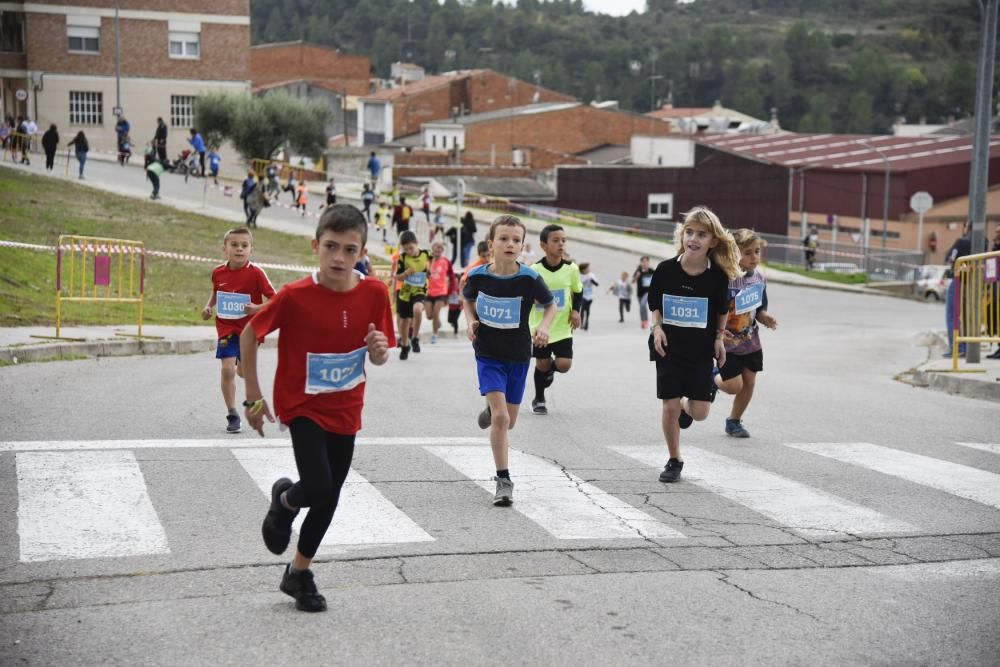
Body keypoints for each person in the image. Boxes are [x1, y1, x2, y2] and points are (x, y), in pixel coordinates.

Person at [240, 205, 394, 613]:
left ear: (362, 251)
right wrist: (253, 396)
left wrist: (379, 354)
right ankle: (286, 502)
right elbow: (249, 334)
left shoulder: (375, 293)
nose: (339, 258)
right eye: (330, 247)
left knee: (329, 496)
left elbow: (378, 353)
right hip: (302, 405)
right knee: (320, 485)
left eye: (349, 249)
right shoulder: (294, 296)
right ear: (316, 246)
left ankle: (299, 571)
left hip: (346, 406)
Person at [462, 215, 555, 506]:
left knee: (508, 420)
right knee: (503, 418)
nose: (510, 244)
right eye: (504, 238)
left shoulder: (528, 278)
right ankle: (503, 479)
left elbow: (550, 305)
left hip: (518, 356)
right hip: (487, 354)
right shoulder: (478, 276)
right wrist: (470, 321)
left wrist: (543, 327)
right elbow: (467, 298)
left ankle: (491, 411)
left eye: (516, 240)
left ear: (522, 246)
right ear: (491, 244)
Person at [648, 206, 741, 483]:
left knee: (699, 413)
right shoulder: (666, 270)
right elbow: (655, 304)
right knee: (669, 406)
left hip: (700, 350)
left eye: (702, 234)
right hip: (669, 347)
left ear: (713, 241)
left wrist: (718, 339)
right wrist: (657, 329)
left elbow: (721, 310)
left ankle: (688, 409)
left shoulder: (717, 277)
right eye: (689, 232)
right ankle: (674, 459)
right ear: (682, 235)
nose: (694, 239)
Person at [201, 227, 276, 434]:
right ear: (224, 248)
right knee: (227, 369)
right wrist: (208, 307)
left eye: (244, 245)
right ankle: (232, 414)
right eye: (234, 245)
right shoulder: (218, 272)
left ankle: (241, 367)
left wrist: (256, 308)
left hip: (250, 331)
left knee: (242, 371)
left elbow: (276, 299)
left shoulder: (256, 273)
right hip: (226, 328)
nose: (239, 249)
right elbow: (216, 292)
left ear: (251, 249)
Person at [713, 229, 778, 438]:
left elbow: (759, 308)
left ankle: (733, 421)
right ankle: (711, 379)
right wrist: (717, 334)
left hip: (750, 341)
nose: (754, 257)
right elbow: (713, 310)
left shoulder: (759, 278)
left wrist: (765, 316)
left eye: (757, 252)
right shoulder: (724, 278)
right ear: (734, 253)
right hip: (727, 342)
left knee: (749, 383)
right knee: (733, 385)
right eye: (748, 252)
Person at [528, 225, 583, 416]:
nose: (561, 244)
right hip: (540, 327)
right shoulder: (534, 271)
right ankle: (539, 398)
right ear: (543, 245)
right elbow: (525, 295)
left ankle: (550, 370)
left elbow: (578, 291)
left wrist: (575, 310)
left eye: (563, 240)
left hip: (562, 327)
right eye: (555, 240)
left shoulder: (571, 269)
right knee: (541, 364)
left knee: (564, 364)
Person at [395, 230, 431, 359]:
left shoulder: (426, 254)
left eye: (411, 248)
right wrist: (405, 274)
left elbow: (431, 266)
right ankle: (405, 345)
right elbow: (397, 277)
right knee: (404, 321)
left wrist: (429, 272)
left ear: (417, 244)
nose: (409, 251)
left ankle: (415, 337)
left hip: (420, 290)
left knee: (417, 309)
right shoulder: (403, 258)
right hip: (405, 292)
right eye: (406, 249)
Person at [944, 221, 972, 357]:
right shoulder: (983, 242)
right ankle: (966, 346)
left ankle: (956, 347)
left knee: (952, 315)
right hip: (974, 283)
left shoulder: (961, 242)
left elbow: (949, 259)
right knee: (968, 316)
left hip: (958, 280)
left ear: (967, 228)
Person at [426, 241, 454, 344]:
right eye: (435, 249)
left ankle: (434, 335)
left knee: (436, 312)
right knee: (429, 316)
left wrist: (453, 290)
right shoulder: (427, 261)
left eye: (439, 249)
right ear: (432, 249)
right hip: (429, 291)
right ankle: (437, 322)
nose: (437, 251)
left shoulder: (446, 262)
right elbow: (423, 274)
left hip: (441, 291)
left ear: (442, 251)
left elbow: (451, 276)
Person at [632, 256, 655, 329]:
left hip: (648, 292)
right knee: (641, 307)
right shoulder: (638, 271)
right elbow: (632, 282)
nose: (645, 263)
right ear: (641, 263)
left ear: (648, 263)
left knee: (642, 304)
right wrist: (637, 276)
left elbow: (657, 279)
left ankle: (646, 321)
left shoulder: (651, 271)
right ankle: (643, 321)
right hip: (640, 293)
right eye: (643, 262)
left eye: (646, 262)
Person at [579, 262, 598, 331]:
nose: (589, 269)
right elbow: (578, 284)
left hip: (590, 295)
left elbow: (597, 284)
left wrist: (591, 280)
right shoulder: (580, 276)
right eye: (587, 268)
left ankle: (586, 322)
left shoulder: (591, 275)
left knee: (587, 309)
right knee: (583, 308)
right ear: (583, 270)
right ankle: (581, 323)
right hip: (582, 295)